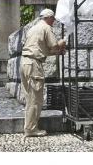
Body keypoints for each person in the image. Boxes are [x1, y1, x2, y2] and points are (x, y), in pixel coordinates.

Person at [20, 8, 66, 137]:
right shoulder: (46, 28)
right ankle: (31, 130)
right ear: (49, 18)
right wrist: (61, 44)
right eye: (53, 19)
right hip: (34, 65)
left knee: (30, 97)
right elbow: (54, 45)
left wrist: (57, 52)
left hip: (25, 63)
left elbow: (40, 49)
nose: (53, 22)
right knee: (35, 99)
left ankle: (29, 127)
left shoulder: (33, 28)